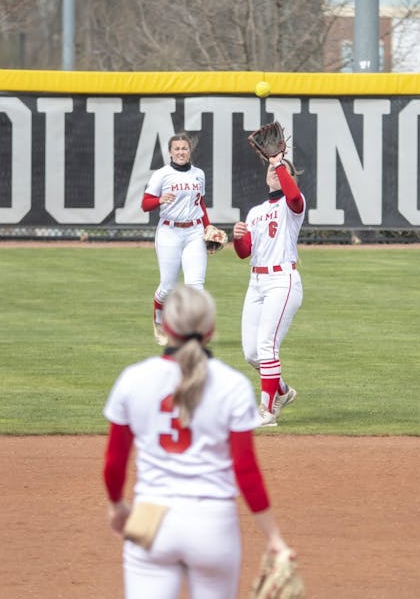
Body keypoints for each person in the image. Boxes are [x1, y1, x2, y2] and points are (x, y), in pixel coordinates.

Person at [102, 285, 292, 599]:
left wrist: (116, 506)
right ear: (211, 330)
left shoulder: (133, 379)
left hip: (149, 519)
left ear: (166, 326)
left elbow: (114, 463)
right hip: (212, 524)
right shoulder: (233, 385)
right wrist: (273, 536)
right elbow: (246, 470)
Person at [232, 150, 305, 428]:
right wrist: (238, 238)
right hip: (257, 282)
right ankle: (283, 392)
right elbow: (244, 252)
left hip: (282, 281)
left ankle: (266, 411)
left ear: (288, 176)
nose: (274, 171)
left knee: (266, 346)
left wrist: (280, 164)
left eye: (280, 169)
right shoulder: (255, 212)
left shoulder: (292, 205)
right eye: (272, 169)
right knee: (251, 352)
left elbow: (295, 197)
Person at [142, 133, 211, 345]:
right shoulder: (162, 175)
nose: (181, 152)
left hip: (194, 232)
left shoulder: (199, 174)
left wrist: (208, 228)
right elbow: (145, 204)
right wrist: (159, 199)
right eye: (177, 148)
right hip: (169, 231)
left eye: (184, 148)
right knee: (168, 286)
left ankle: (193, 332)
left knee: (196, 285)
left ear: (190, 151)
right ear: (170, 152)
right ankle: (159, 321)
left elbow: (200, 203)